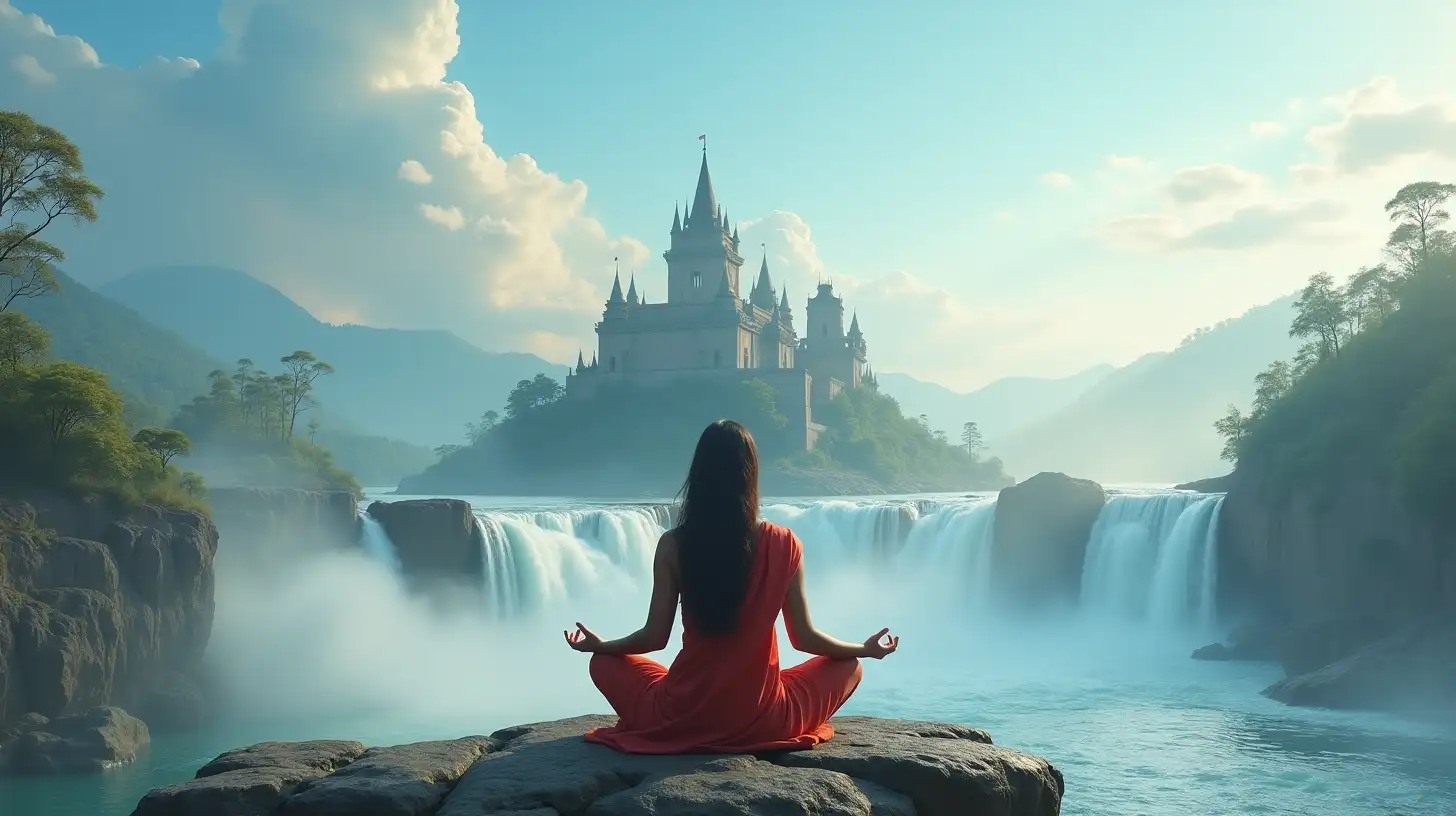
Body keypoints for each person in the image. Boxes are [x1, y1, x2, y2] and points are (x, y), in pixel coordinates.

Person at [564, 419, 898, 754]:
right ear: (751, 474)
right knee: (850, 666)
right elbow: (804, 638)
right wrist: (863, 649)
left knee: (602, 662)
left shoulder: (674, 545)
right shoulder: (783, 543)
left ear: (699, 475)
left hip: (680, 714)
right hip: (765, 718)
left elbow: (654, 637)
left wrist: (603, 645)